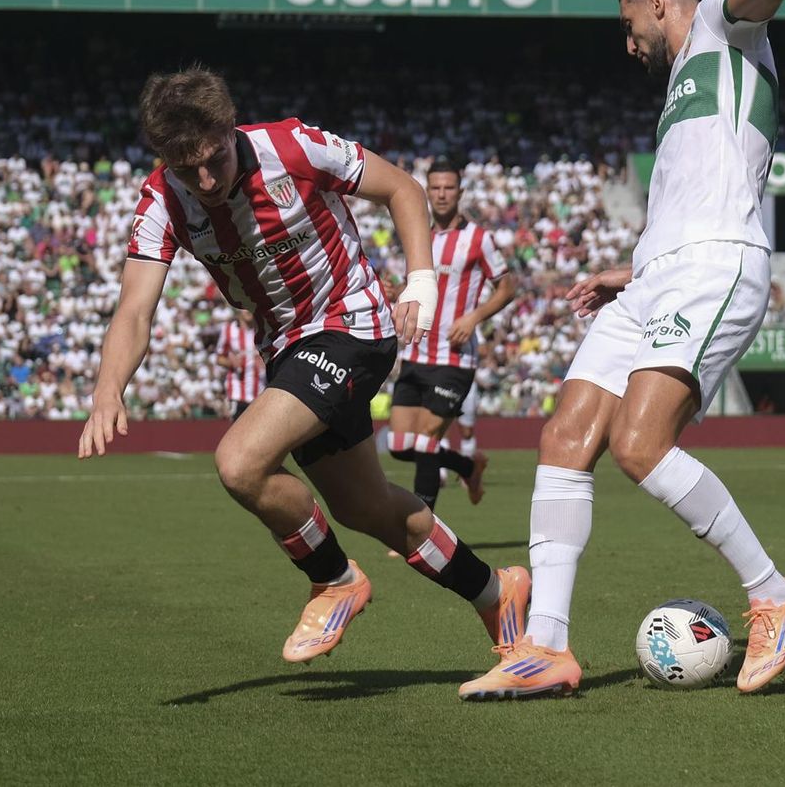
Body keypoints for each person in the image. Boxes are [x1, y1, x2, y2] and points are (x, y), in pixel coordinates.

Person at [459, 0, 785, 700]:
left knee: (640, 444)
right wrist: (633, 267)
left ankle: (774, 594)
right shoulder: (683, 89)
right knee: (563, 436)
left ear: (659, 3)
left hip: (716, 265)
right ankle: (546, 646)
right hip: (658, 276)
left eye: (629, 27)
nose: (628, 45)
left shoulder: (722, 28)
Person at [77, 66, 528, 666]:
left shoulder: (292, 146)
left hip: (354, 326)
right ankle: (500, 595)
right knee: (366, 508)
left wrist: (420, 283)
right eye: (188, 169)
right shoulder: (161, 199)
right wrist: (109, 389)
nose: (206, 180)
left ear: (230, 129)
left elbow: (404, 189)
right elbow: (135, 307)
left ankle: (335, 580)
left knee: (240, 462)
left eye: (214, 159)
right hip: (287, 349)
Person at [385, 159, 516, 510]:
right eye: (436, 187)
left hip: (454, 357)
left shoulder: (478, 238)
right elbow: (417, 284)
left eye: (449, 188)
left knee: (427, 441)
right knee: (398, 445)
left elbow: (507, 287)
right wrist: (394, 290)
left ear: (460, 192)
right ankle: (468, 465)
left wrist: (474, 317)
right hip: (415, 353)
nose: (442, 194)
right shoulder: (419, 235)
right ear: (427, 191)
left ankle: (421, 532)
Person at [216, 308, 263, 420]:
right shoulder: (229, 330)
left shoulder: (261, 331)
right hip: (237, 391)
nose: (247, 310)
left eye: (249, 307)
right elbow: (219, 358)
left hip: (260, 391)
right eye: (243, 308)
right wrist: (231, 363)